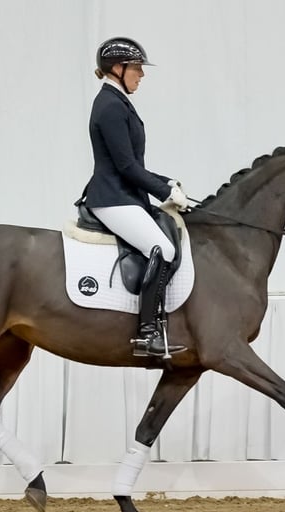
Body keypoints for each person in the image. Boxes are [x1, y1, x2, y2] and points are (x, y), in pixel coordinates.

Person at [80, 37, 188, 358]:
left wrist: (167, 182)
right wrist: (165, 190)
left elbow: (132, 165)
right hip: (112, 197)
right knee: (163, 248)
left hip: (125, 195)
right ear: (118, 68)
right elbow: (126, 167)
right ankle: (147, 333)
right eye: (138, 68)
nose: (141, 75)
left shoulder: (118, 102)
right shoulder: (111, 106)